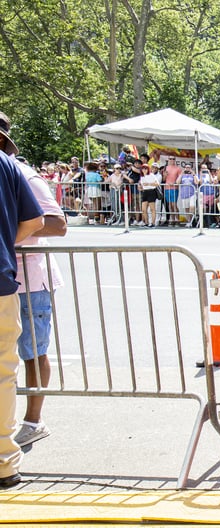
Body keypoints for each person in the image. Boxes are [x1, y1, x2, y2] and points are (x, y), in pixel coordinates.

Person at [0, 111, 45, 488]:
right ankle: (3, 464)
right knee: (3, 373)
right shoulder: (9, 167)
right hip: (1, 279)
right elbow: (34, 222)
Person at [13, 152, 67, 448]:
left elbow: (58, 224)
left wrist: (10, 228)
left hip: (30, 280)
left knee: (33, 351)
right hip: (6, 277)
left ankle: (33, 421)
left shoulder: (26, 176)